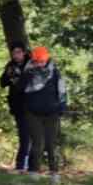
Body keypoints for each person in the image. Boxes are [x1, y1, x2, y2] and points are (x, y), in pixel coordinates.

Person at [21, 46, 67, 177]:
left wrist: (61, 107)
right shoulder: (28, 72)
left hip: (52, 113)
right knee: (38, 144)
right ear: (33, 60)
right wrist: (26, 75)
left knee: (51, 144)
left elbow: (62, 90)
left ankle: (54, 173)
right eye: (37, 61)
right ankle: (34, 173)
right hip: (32, 113)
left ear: (46, 59)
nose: (40, 64)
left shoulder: (55, 73)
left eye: (42, 61)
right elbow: (20, 89)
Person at [0, 41, 33, 170]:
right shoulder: (10, 65)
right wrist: (9, 76)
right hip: (18, 106)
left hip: (32, 105)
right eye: (13, 53)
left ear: (24, 53)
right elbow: (2, 82)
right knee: (24, 136)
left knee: (33, 136)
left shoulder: (31, 65)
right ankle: (21, 166)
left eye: (18, 52)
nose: (16, 55)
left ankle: (30, 165)